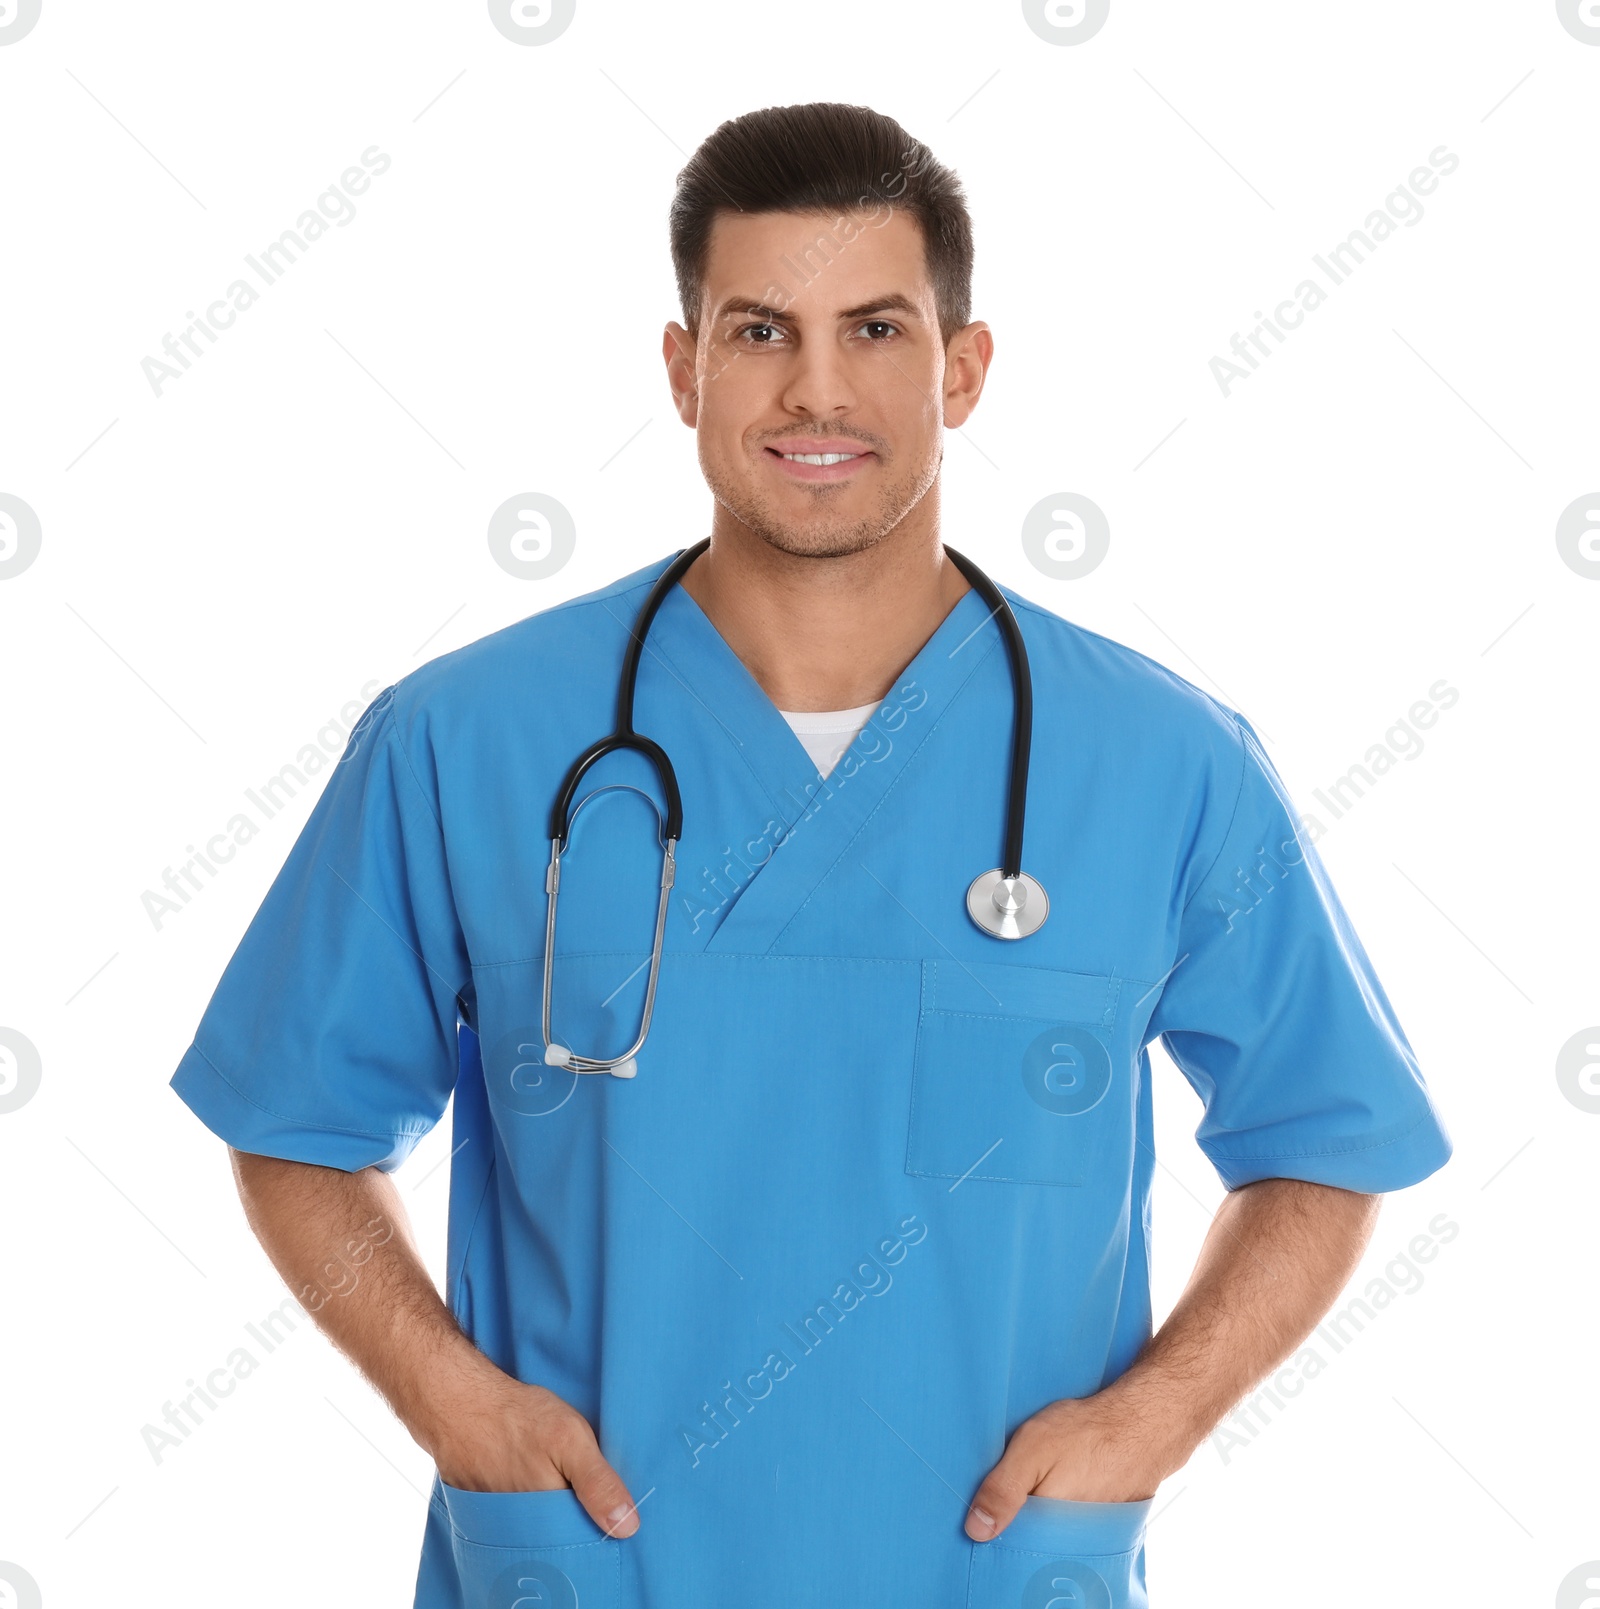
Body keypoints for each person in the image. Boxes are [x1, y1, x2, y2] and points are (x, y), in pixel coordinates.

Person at [169, 102, 1452, 1609]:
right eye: (762, 329)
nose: (818, 388)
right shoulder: (468, 738)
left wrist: (1154, 1420)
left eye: (880, 330)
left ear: (964, 370)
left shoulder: (1167, 764)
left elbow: (1328, 1137)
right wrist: (454, 1403)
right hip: (592, 1570)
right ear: (683, 367)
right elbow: (293, 1123)